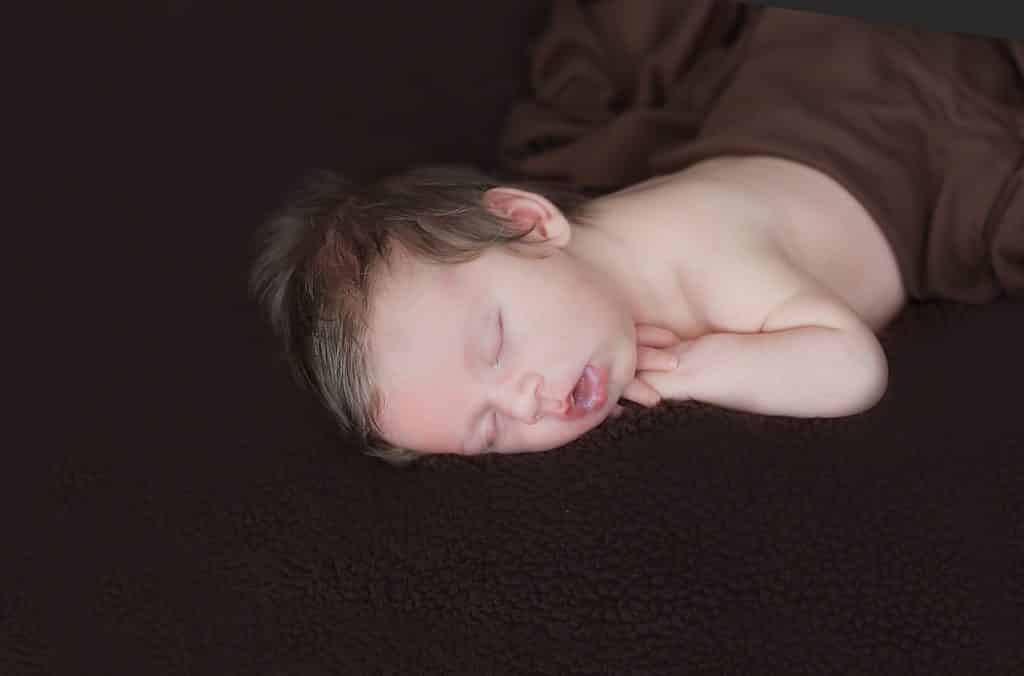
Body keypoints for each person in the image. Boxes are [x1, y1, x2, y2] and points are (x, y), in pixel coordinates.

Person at [250, 6, 1023, 466]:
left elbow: (852, 367)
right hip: (793, 111)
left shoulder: (703, 251)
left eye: (495, 343)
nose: (527, 402)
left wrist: (697, 368)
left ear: (530, 222)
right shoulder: (589, 293)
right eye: (489, 433)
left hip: (916, 146)